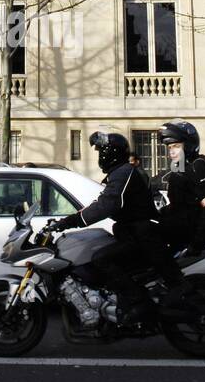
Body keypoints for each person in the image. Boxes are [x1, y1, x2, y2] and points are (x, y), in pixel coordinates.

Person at [46, 131, 182, 323]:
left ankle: (137, 302)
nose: (100, 155)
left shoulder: (123, 173)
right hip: (133, 232)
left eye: (102, 151)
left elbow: (107, 205)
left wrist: (70, 222)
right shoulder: (119, 173)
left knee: (102, 259)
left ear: (112, 153)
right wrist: (70, 219)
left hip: (141, 236)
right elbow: (101, 202)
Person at [152, 119, 205, 255]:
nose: (172, 151)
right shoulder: (183, 166)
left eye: (176, 146)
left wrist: (196, 244)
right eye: (170, 147)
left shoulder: (198, 166)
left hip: (187, 237)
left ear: (189, 144)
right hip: (177, 230)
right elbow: (180, 204)